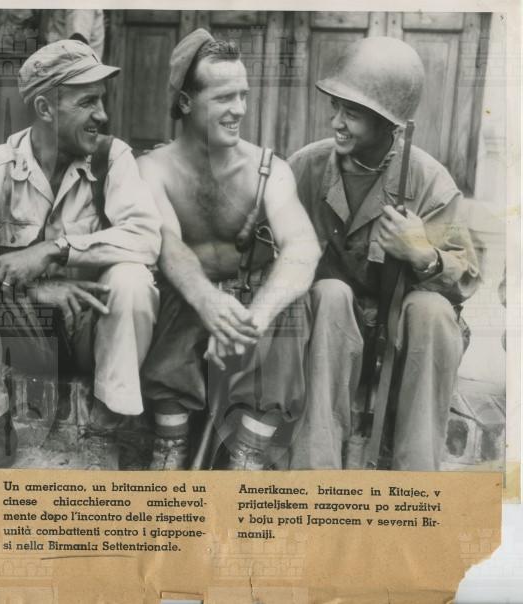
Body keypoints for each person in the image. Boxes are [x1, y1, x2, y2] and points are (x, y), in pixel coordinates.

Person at [0, 40, 162, 469]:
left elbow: (145, 237)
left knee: (132, 278)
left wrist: (56, 251)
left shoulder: (112, 158)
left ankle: (104, 430)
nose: (102, 115)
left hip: (90, 331)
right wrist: (31, 286)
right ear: (46, 109)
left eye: (101, 100)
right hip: (24, 333)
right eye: (87, 102)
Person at [287, 36, 481, 471]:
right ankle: (314, 472)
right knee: (330, 293)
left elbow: (466, 276)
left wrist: (422, 253)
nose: (336, 122)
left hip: (403, 326)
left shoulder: (430, 181)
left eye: (352, 114)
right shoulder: (306, 167)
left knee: (432, 310)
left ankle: (416, 477)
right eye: (336, 107)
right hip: (332, 326)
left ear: (388, 123)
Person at [138, 29, 320, 470]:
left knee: (291, 297)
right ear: (186, 102)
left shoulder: (269, 169)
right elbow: (168, 245)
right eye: (223, 97)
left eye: (243, 95)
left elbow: (302, 247)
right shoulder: (153, 169)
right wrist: (209, 302)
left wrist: (252, 321)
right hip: (186, 316)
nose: (239, 109)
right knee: (173, 286)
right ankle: (170, 450)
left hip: (250, 316)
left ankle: (247, 457)